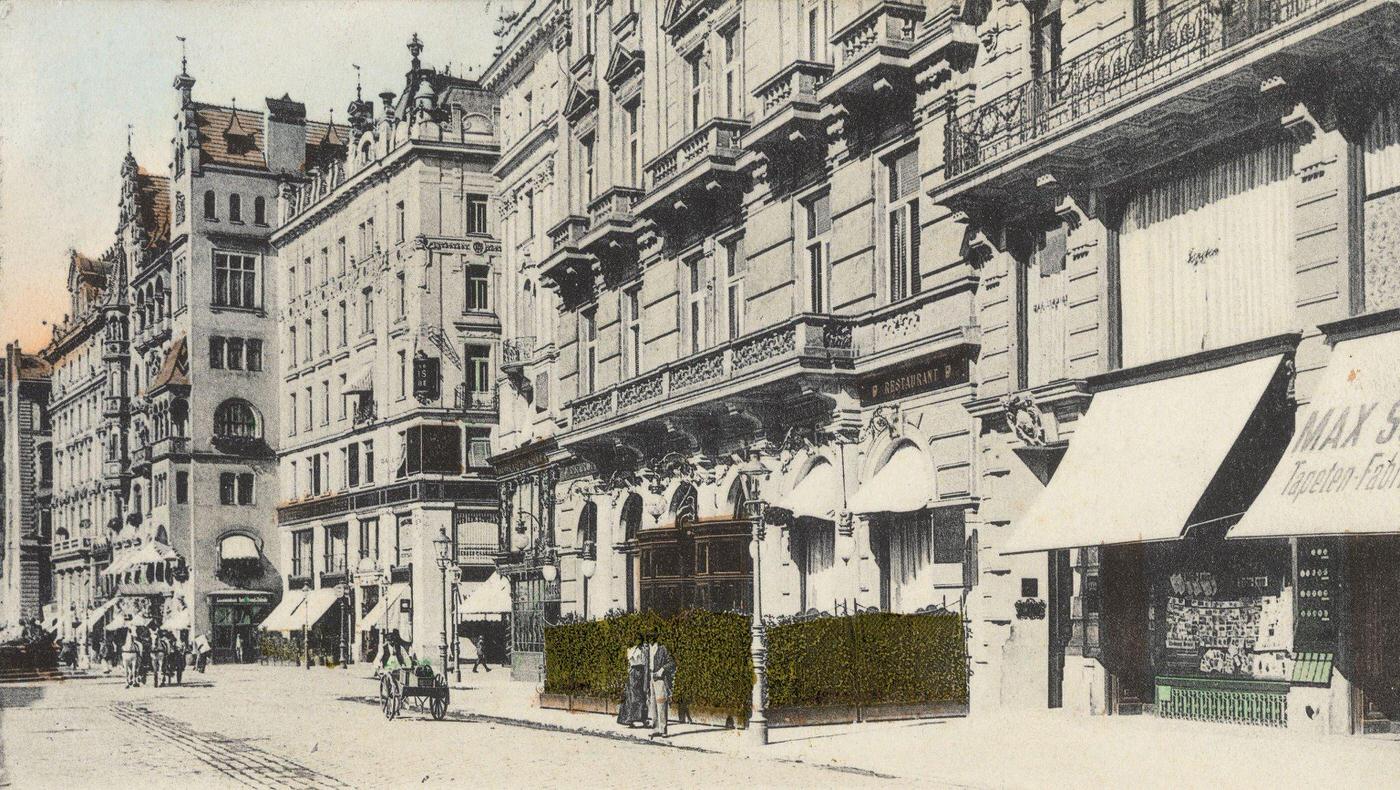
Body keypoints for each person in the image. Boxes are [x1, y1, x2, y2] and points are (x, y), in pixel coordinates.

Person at [616, 636, 649, 727]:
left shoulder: (645, 649)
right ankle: (630, 719)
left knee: (641, 696)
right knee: (632, 696)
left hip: (641, 672)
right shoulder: (631, 649)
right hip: (633, 673)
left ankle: (642, 719)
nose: (638, 641)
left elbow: (646, 662)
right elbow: (630, 662)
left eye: (640, 639)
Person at [649, 637, 676, 739]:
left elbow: (671, 663)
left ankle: (663, 730)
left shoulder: (663, 648)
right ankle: (656, 729)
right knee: (653, 705)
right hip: (651, 679)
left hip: (660, 679)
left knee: (661, 704)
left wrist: (661, 670)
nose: (649, 638)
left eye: (651, 635)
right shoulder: (648, 649)